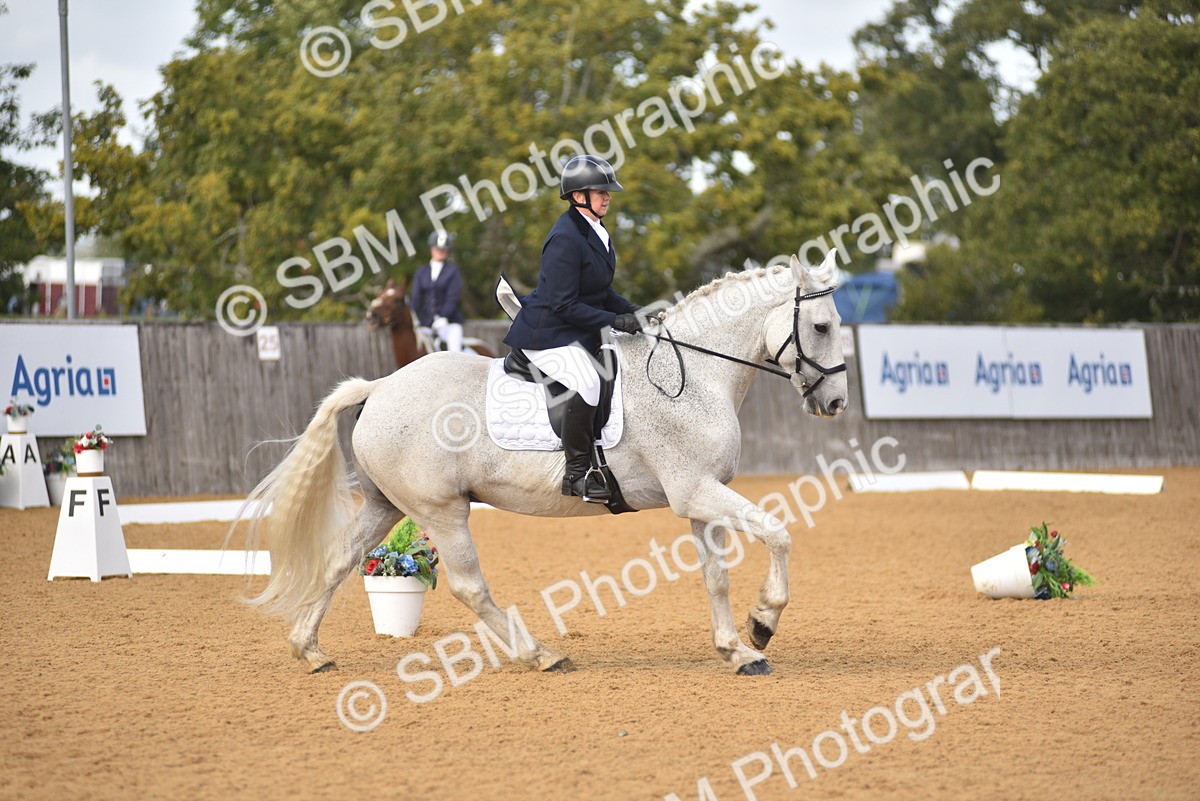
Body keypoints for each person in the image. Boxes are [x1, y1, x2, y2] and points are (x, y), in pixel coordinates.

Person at [504, 154, 643, 503]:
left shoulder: (595, 230)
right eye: (600, 191)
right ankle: (577, 474)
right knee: (590, 381)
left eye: (608, 191)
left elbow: (599, 291)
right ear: (579, 196)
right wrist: (614, 321)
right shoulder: (565, 238)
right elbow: (564, 304)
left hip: (573, 330)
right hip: (547, 333)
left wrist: (630, 310)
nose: (608, 196)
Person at [411, 231, 465, 352]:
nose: (441, 251)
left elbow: (453, 297)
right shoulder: (421, 272)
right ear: (431, 249)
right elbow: (416, 299)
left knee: (455, 353)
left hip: (449, 324)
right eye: (437, 248)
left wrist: (444, 317)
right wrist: (416, 320)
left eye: (444, 249)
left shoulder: (453, 271)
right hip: (426, 324)